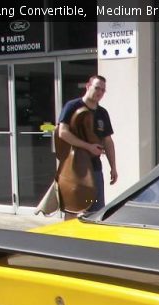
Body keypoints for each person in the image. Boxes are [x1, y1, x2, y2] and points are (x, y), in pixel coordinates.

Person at [56, 75, 117, 217]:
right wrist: (88, 147)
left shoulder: (102, 113)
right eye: (97, 88)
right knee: (72, 208)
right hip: (74, 168)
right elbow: (62, 132)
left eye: (103, 90)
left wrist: (113, 166)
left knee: (96, 212)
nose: (99, 92)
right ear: (88, 86)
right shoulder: (72, 106)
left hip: (95, 168)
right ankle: (68, 239)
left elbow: (108, 141)